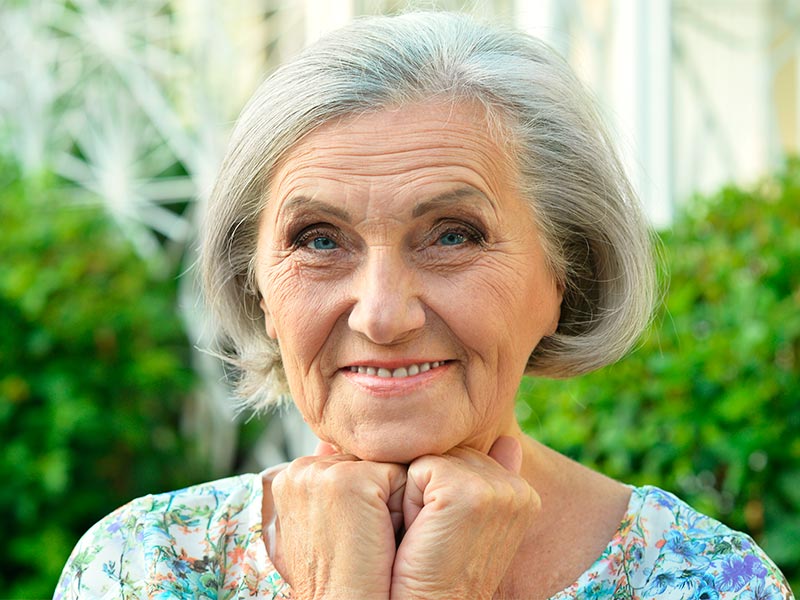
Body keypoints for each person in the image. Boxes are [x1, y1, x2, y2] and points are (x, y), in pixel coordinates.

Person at [55, 11, 793, 600]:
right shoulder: (141, 567)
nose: (381, 315)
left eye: (451, 235)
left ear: (568, 272)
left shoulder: (700, 580)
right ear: (257, 287)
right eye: (318, 239)